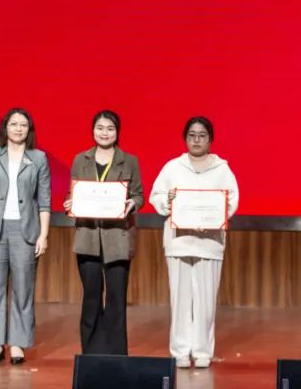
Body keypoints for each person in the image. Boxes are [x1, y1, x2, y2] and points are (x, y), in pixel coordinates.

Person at [149, 116, 239, 369]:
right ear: (185, 138)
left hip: (209, 243)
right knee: (179, 299)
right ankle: (179, 351)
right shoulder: (172, 167)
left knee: (205, 301)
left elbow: (231, 201)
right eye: (192, 135)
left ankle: (202, 351)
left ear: (210, 140)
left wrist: (213, 220)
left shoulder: (222, 169)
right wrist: (168, 201)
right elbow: (156, 197)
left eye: (202, 135)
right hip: (179, 242)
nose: (196, 140)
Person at [0, 108, 52, 365]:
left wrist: (43, 235)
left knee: (23, 289)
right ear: (5, 128)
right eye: (14, 124)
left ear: (29, 130)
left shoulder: (38, 158)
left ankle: (18, 344)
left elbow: (44, 203)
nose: (18, 129)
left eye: (23, 125)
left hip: (25, 231)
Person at [63, 109, 144, 355]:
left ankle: (116, 354)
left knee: (116, 299)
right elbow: (73, 193)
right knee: (91, 297)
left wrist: (132, 203)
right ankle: (91, 353)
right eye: (100, 128)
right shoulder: (80, 159)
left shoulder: (129, 161)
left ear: (117, 132)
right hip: (87, 237)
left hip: (118, 238)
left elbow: (138, 195)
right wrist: (70, 203)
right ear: (92, 130)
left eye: (110, 128)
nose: (104, 133)